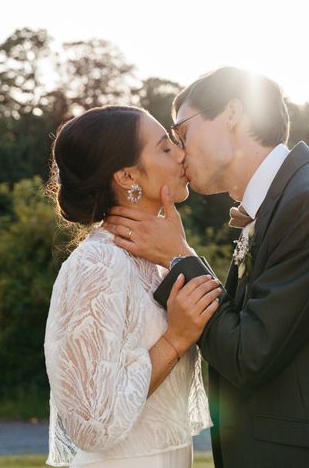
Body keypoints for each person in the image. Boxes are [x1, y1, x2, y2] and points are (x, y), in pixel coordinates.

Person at [103, 67, 309, 467]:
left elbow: (247, 353)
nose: (180, 152)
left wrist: (177, 258)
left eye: (182, 133)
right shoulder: (287, 200)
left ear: (233, 113)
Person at [44, 105, 219, 468]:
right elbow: (92, 423)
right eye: (165, 147)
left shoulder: (156, 262)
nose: (182, 153)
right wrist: (174, 340)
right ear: (127, 177)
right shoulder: (97, 264)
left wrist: (180, 254)